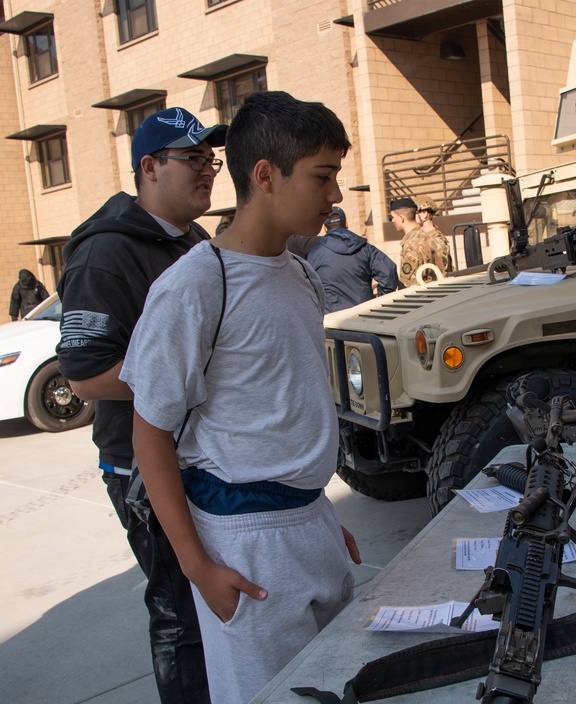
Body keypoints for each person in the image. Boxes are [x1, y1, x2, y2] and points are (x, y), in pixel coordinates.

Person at [120, 91, 363, 704]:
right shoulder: (197, 286)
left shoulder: (301, 273)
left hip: (312, 524)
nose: (336, 195)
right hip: (246, 543)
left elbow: (294, 409)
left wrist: (320, 517)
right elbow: (149, 436)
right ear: (264, 176)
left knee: (338, 682)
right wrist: (198, 566)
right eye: (322, 176)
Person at [56, 106, 224, 702]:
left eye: (212, 160)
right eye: (193, 159)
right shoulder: (106, 253)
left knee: (212, 605)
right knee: (180, 610)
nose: (208, 171)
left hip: (198, 456)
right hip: (139, 467)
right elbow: (87, 376)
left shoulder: (193, 240)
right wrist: (194, 374)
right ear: (149, 167)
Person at [307, 205, 399, 313]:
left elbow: (306, 288)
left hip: (332, 319)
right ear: (346, 224)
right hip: (365, 314)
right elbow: (388, 271)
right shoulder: (365, 248)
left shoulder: (315, 254)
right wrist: (381, 299)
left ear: (325, 228)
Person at [391, 196, 448, 286]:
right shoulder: (425, 237)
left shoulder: (412, 245)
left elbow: (408, 285)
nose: (392, 220)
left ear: (401, 218)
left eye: (393, 217)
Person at [415, 195, 453, 273]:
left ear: (425, 214)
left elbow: (442, 270)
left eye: (415, 212)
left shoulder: (437, 240)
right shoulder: (420, 237)